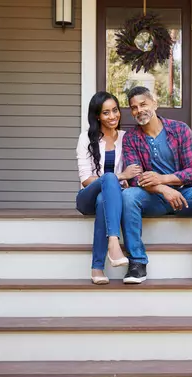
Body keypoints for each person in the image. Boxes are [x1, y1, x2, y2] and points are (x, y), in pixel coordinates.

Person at [121, 86, 192, 285]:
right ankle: (137, 262)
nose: (139, 110)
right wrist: (162, 189)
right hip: (152, 198)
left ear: (154, 103)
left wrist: (163, 179)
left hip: (185, 195)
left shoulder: (179, 129)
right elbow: (135, 178)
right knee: (128, 195)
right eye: (134, 108)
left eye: (143, 104)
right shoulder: (131, 138)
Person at [76, 91, 142, 285]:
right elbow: (86, 179)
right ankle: (113, 243)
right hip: (86, 196)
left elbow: (135, 172)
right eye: (106, 113)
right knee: (109, 180)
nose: (112, 116)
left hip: (111, 198)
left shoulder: (127, 138)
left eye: (115, 110)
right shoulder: (86, 139)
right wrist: (119, 176)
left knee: (102, 200)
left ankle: (97, 267)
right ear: (97, 115)